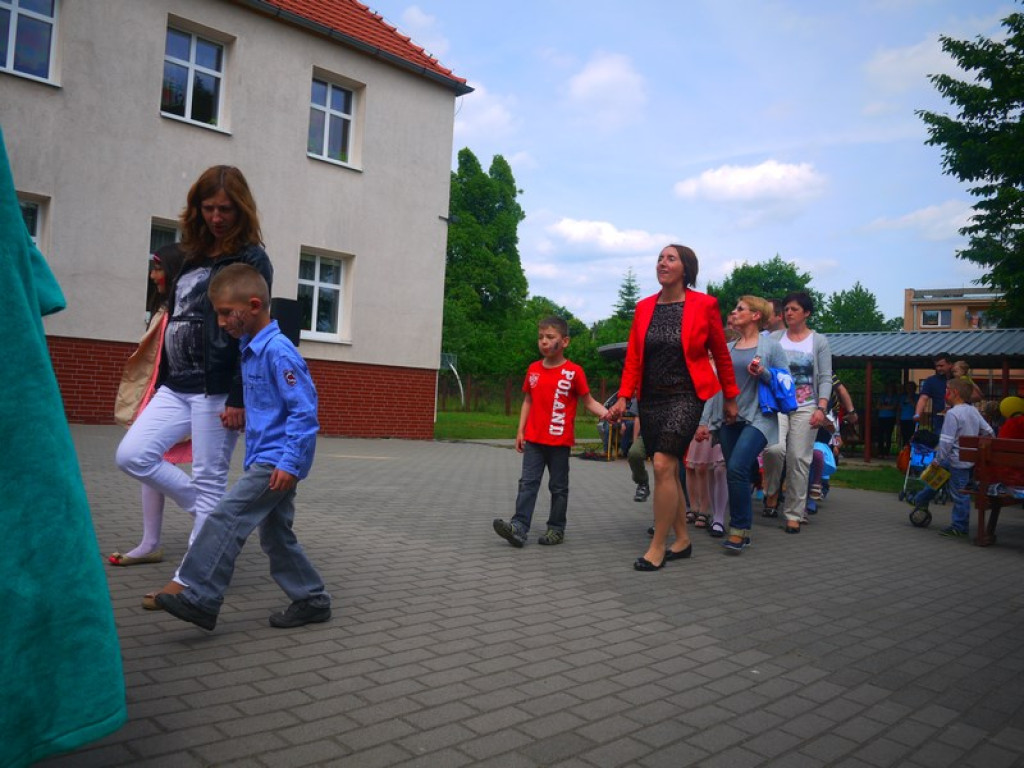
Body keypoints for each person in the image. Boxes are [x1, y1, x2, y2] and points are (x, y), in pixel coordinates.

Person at [0, 124, 126, 764]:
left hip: (225, 402)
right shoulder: (186, 272)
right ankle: (178, 548)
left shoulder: (247, 277)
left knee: (252, 503)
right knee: (135, 459)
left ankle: (210, 572)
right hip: (182, 388)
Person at [114, 165, 273, 609]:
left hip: (216, 387)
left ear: (240, 209)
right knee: (131, 455)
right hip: (175, 383)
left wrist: (240, 396)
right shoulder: (190, 255)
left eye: (225, 209)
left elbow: (252, 332)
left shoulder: (251, 258)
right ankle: (215, 518)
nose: (217, 217)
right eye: (209, 208)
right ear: (197, 209)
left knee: (209, 478)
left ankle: (192, 582)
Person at [155, 264, 330, 630]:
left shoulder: (278, 352)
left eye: (223, 313)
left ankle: (200, 596)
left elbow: (304, 410)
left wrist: (289, 463)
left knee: (226, 516)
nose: (220, 323)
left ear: (253, 305)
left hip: (277, 461)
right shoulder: (251, 349)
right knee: (276, 535)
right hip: (266, 458)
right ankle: (312, 599)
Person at [607, 244, 738, 570]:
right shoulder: (644, 307)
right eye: (660, 258)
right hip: (651, 398)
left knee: (664, 465)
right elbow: (634, 356)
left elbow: (721, 354)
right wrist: (624, 395)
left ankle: (657, 547)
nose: (662, 263)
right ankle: (682, 540)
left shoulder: (704, 305)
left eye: (670, 258)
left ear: (685, 268)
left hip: (686, 395)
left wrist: (731, 397)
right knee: (669, 472)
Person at [493, 316, 610, 547]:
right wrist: (520, 431)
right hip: (534, 440)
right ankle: (518, 528)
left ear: (564, 341)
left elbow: (588, 401)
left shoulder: (574, 372)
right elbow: (528, 400)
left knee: (558, 487)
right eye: (540, 338)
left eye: (550, 337)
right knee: (527, 483)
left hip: (559, 442)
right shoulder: (533, 369)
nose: (544, 342)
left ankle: (556, 529)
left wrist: (607, 414)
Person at [109, 245, 192, 566]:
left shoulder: (186, 308)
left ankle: (211, 513)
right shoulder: (163, 307)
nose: (153, 275)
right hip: (158, 395)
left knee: (152, 461)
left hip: (180, 398)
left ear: (173, 270)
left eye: (159, 268)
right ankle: (149, 543)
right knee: (148, 464)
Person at [695, 295, 788, 554]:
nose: (734, 313)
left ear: (756, 315)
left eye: (740, 309)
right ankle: (751, 489)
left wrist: (765, 373)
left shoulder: (771, 347)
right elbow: (717, 387)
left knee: (735, 468)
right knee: (737, 471)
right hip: (729, 419)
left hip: (759, 417)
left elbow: (785, 381)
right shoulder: (729, 348)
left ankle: (739, 531)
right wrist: (704, 421)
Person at [762, 291, 832, 534]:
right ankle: (771, 491)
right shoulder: (774, 338)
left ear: (807, 313)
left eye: (794, 309)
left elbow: (824, 377)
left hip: (807, 405)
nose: (788, 313)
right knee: (774, 449)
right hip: (778, 404)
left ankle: (794, 512)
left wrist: (821, 408)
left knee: (798, 458)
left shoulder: (818, 341)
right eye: (786, 309)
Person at [909, 377, 994, 538]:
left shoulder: (952, 413)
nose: (944, 393)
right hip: (966, 459)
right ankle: (920, 499)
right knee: (936, 479)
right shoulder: (973, 411)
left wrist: (937, 460)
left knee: (959, 493)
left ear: (954, 393)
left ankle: (960, 526)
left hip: (957, 461)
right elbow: (989, 432)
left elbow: (946, 442)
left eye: (946, 390)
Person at [914, 353, 953, 432]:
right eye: (936, 366)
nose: (938, 368)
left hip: (959, 420)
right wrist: (918, 413)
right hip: (940, 422)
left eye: (941, 366)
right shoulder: (931, 381)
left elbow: (976, 397)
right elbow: (923, 398)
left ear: (950, 365)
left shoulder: (960, 380)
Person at [627, 415, 650, 501]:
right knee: (634, 453)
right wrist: (635, 440)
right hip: (647, 434)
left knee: (660, 466)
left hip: (667, 433)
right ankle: (642, 482)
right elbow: (638, 417)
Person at [875, 382, 899, 456]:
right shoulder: (883, 396)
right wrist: (888, 407)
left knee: (888, 435)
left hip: (890, 417)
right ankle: (880, 451)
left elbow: (894, 407)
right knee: (880, 435)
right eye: (888, 387)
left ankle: (887, 451)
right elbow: (878, 406)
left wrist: (884, 407)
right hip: (881, 417)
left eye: (891, 387)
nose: (889, 389)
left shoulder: (895, 396)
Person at [898, 381, 918, 448]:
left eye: (911, 387)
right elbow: (900, 408)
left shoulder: (917, 397)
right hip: (903, 419)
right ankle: (904, 452)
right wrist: (898, 419)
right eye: (907, 387)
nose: (909, 389)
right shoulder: (902, 397)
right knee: (904, 436)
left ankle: (911, 452)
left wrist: (911, 399)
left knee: (912, 436)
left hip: (913, 420)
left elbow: (917, 407)